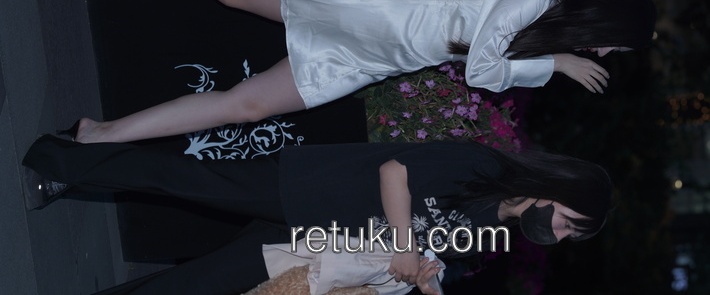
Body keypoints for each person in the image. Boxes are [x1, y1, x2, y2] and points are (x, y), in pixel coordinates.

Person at [59, 0, 656, 144]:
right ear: (605, 16)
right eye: (613, 41)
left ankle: (101, 134)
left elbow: (481, 61)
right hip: (373, 11)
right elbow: (480, 69)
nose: (603, 52)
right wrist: (554, 64)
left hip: (377, 57)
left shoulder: (539, 17)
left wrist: (549, 60)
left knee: (246, 107)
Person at [23, 136, 613, 295]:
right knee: (179, 178)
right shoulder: (482, 166)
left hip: (312, 247)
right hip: (306, 191)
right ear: (559, 187)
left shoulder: (491, 231)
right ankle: (61, 161)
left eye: (569, 235)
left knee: (198, 285)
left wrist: (426, 277)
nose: (558, 234)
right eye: (569, 220)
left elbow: (425, 253)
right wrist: (406, 247)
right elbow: (394, 173)